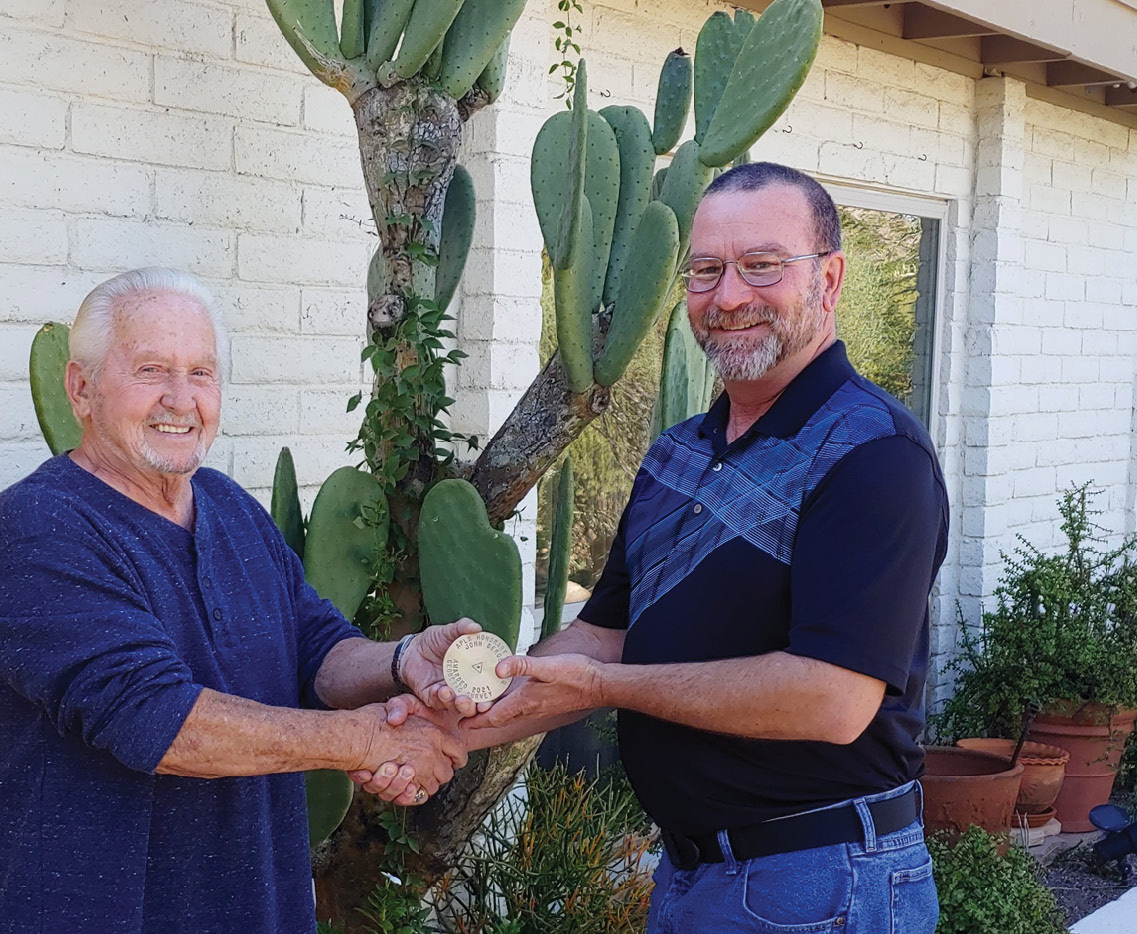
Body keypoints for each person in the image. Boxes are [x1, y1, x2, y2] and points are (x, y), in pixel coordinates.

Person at [373, 163, 949, 932]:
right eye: (706, 271)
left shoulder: (872, 455)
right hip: (689, 875)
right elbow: (601, 636)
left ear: (829, 278)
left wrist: (604, 688)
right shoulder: (678, 453)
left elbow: (832, 699)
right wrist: (453, 726)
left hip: (821, 883)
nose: (729, 296)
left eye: (762, 266)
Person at [0, 268, 475, 934]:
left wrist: (403, 661)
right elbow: (159, 720)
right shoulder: (37, 529)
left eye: (201, 373)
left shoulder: (229, 506)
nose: (180, 398)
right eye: (150, 370)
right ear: (81, 390)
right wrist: (366, 741)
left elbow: (314, 647)